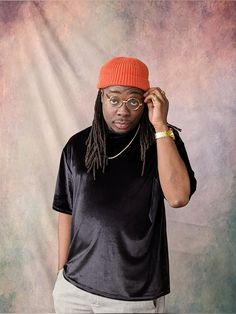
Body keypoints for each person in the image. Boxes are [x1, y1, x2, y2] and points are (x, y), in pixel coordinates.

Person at [52, 56, 197, 313]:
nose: (122, 110)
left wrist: (161, 126)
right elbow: (66, 210)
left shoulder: (161, 143)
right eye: (114, 98)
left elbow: (178, 197)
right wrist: (62, 272)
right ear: (101, 98)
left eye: (133, 100)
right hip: (74, 292)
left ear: (146, 102)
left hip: (132, 296)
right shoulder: (77, 146)